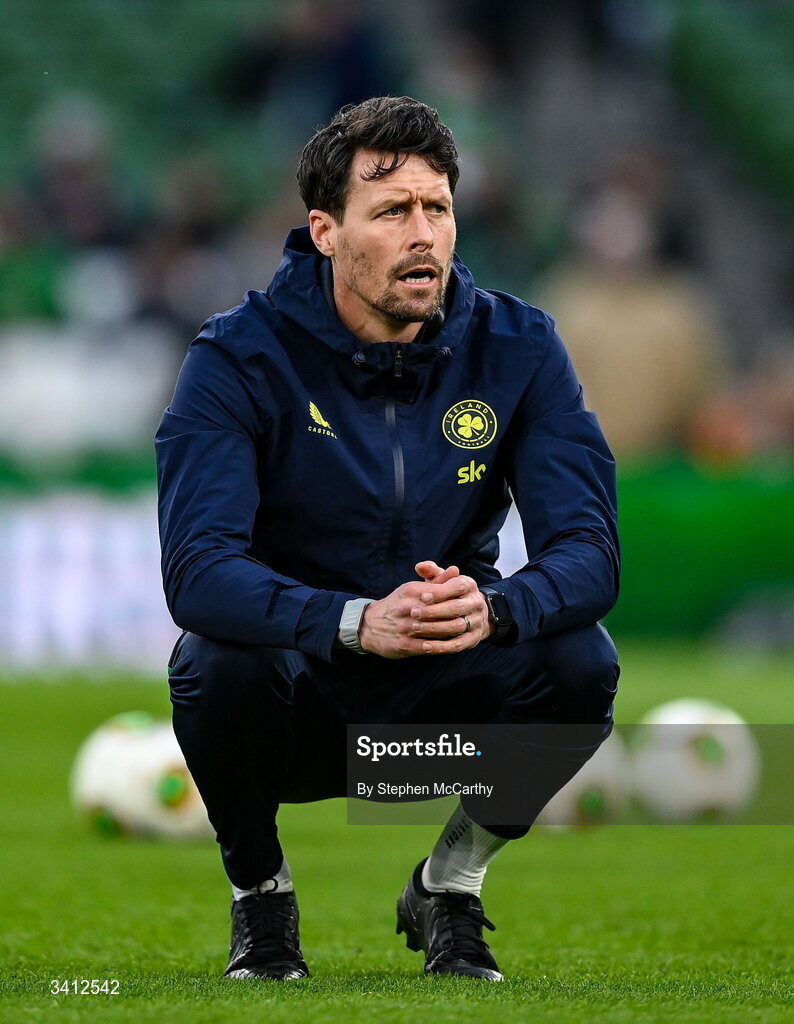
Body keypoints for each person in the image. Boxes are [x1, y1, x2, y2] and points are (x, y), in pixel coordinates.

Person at [155, 96, 620, 983]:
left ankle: (450, 884)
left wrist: (495, 606)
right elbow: (199, 571)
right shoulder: (237, 357)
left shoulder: (519, 347)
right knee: (217, 660)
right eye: (393, 211)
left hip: (446, 687)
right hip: (303, 694)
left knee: (580, 662)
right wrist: (357, 619)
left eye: (438, 208)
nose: (425, 236)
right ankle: (261, 896)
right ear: (326, 231)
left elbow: (590, 550)